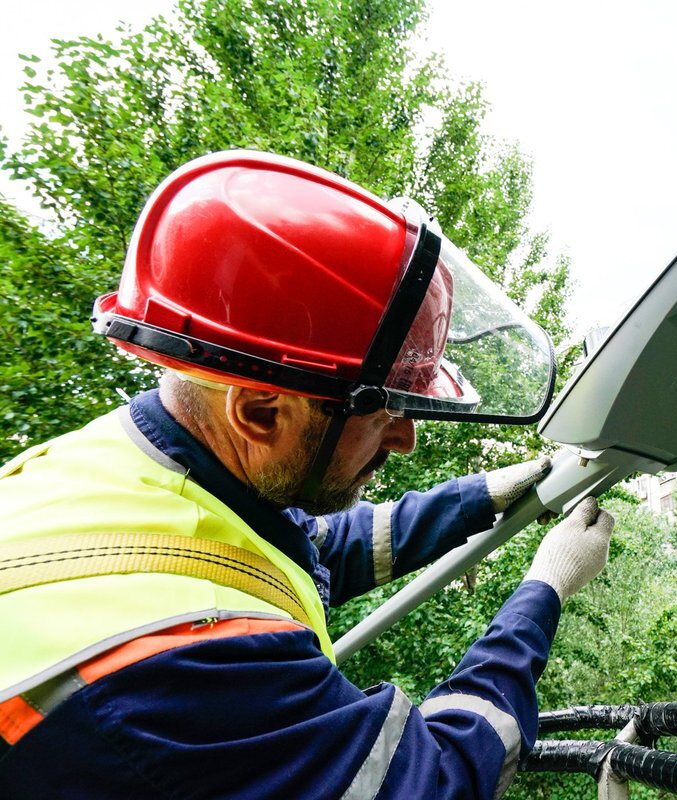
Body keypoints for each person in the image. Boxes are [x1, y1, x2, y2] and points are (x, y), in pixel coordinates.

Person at [0, 150, 614, 798]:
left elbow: (307, 548)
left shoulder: (118, 474)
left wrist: (489, 492)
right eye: (386, 410)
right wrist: (545, 589)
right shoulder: (187, 661)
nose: (405, 440)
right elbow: (435, 780)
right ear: (262, 412)